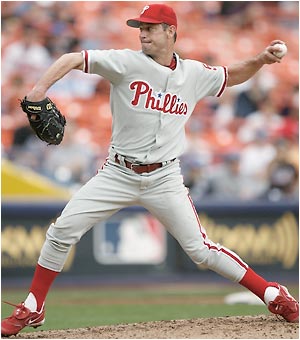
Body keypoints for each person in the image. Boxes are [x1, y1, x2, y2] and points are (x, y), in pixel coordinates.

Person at [1, 3, 298, 336]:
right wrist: (39, 90)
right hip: (118, 172)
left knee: (200, 249)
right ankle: (34, 304)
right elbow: (71, 59)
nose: (142, 33)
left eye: (150, 27)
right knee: (61, 232)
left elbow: (230, 76)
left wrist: (259, 60)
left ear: (170, 31)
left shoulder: (194, 74)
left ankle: (272, 293)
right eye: (140, 27)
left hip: (165, 178)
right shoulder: (125, 62)